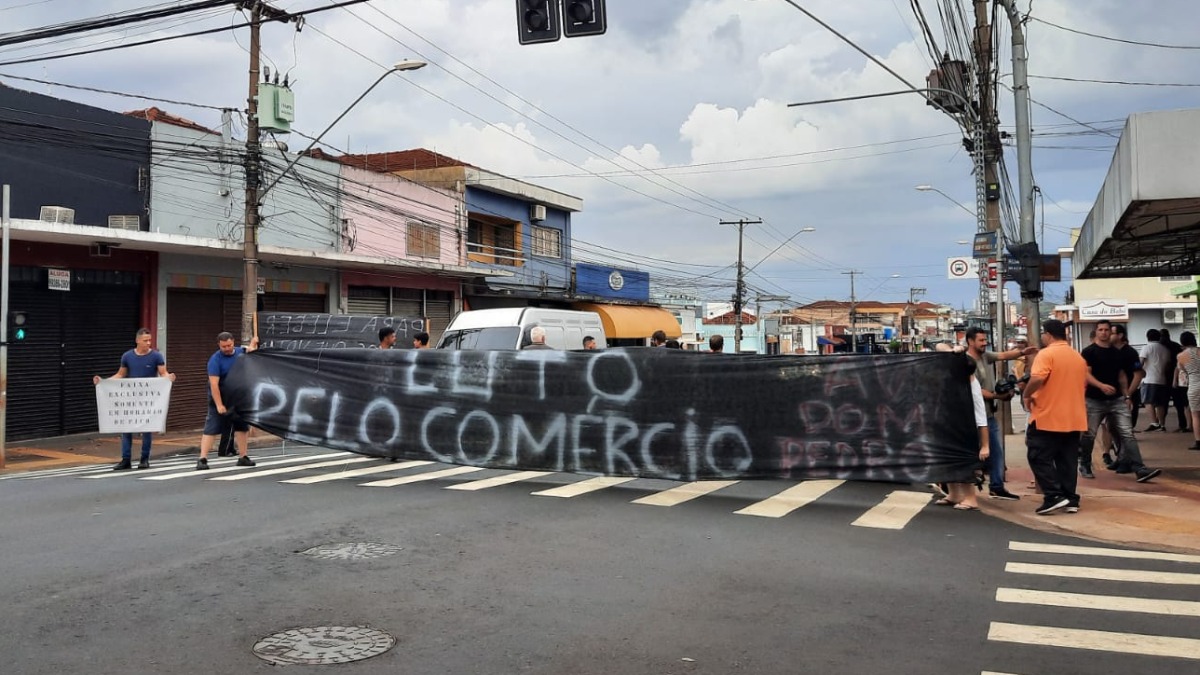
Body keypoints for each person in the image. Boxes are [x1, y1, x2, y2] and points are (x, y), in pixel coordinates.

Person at [1077, 320, 1161, 483]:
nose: (1104, 333)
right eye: (1100, 330)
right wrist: (1101, 386)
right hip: (1094, 400)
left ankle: (1139, 468)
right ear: (1096, 332)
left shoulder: (1118, 353)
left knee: (1127, 433)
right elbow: (1085, 374)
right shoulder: (1088, 352)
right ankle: (1085, 464)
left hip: (1117, 400)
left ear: (1111, 332)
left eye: (1107, 330)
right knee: (1090, 434)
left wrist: (1127, 395)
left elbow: (1122, 375)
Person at [1021, 319, 1088, 515]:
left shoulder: (1046, 354)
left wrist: (1026, 394)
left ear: (1048, 334)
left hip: (1047, 416)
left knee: (1038, 457)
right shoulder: (1077, 357)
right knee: (1067, 460)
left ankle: (1053, 495)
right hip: (1074, 417)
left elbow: (1039, 378)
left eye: (1043, 333)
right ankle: (1071, 498)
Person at [963, 326, 1036, 500]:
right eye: (980, 340)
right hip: (973, 416)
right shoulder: (966, 362)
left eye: (984, 340)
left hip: (988, 414)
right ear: (970, 341)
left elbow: (1003, 355)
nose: (984, 343)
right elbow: (975, 391)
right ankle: (962, 485)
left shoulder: (985, 356)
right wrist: (997, 396)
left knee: (995, 451)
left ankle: (995, 485)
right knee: (976, 452)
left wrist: (1022, 352)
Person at [94, 328, 176, 471]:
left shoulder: (156, 356)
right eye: (145, 340)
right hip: (131, 396)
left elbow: (163, 372)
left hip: (148, 397)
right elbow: (121, 374)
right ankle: (126, 459)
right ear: (137, 340)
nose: (148, 343)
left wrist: (168, 378)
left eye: (150, 340)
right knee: (126, 427)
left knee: (147, 428)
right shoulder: (127, 356)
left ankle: (144, 459)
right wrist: (104, 382)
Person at [196, 332, 258, 470]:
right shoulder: (215, 360)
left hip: (238, 397)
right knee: (211, 427)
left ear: (233, 342)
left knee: (242, 427)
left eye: (229, 345)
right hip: (220, 397)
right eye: (224, 346)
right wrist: (219, 404)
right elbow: (213, 384)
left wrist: (253, 343)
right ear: (219, 345)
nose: (227, 348)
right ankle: (202, 458)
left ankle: (243, 456)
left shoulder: (241, 352)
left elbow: (251, 353)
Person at [1111, 324, 1144, 430]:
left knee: (1127, 424)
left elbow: (1138, 374)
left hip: (1129, 392)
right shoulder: (1107, 351)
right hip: (1111, 393)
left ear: (1120, 335)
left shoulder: (1130, 353)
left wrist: (1128, 395)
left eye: (1111, 333)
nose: (1107, 335)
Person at [1140, 328, 1171, 431]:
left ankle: (1154, 423)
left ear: (1147, 337)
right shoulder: (1165, 349)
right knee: (1160, 403)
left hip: (1149, 378)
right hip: (1162, 379)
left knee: (1148, 401)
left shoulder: (1146, 348)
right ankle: (1162, 424)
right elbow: (1167, 366)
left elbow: (1140, 362)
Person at [1161, 328, 1190, 432]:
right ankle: (1183, 424)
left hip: (1165, 377)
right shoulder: (1176, 346)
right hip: (1179, 378)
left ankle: (1161, 424)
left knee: (1163, 403)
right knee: (1180, 403)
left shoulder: (1161, 346)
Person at [1177, 331, 1200, 450]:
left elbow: (1183, 370)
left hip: (1194, 386)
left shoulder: (1181, 356)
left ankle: (1198, 441)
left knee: (1195, 415)